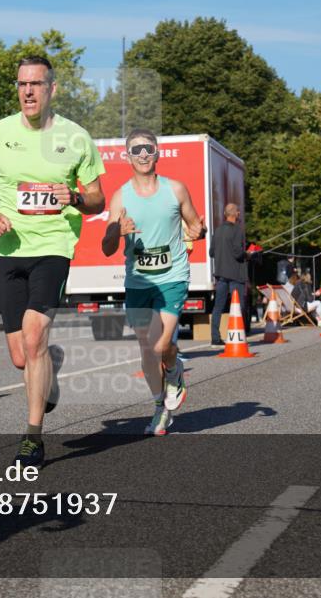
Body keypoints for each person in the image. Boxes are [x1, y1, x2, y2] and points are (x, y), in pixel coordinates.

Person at [0, 55, 105, 466]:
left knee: (34, 336)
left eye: (36, 84)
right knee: (20, 356)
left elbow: (98, 197)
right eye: (21, 84)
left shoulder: (76, 137)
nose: (28, 91)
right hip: (10, 250)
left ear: (52, 89)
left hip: (54, 246)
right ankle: (50, 370)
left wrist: (76, 198)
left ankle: (32, 437)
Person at [102, 129, 204, 435]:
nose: (143, 155)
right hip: (138, 282)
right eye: (137, 150)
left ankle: (174, 370)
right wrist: (116, 232)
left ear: (157, 153)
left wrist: (200, 231)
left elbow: (196, 225)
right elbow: (106, 248)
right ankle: (160, 406)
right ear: (128, 156)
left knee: (161, 344)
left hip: (172, 277)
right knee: (147, 349)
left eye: (148, 149)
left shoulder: (176, 189)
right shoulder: (121, 196)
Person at [209, 203, 249, 346]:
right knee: (239, 306)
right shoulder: (237, 231)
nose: (239, 214)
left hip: (220, 275)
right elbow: (238, 253)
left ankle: (215, 337)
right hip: (235, 275)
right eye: (238, 212)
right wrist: (248, 254)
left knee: (218, 307)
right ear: (235, 214)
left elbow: (211, 252)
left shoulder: (218, 231)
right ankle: (239, 335)